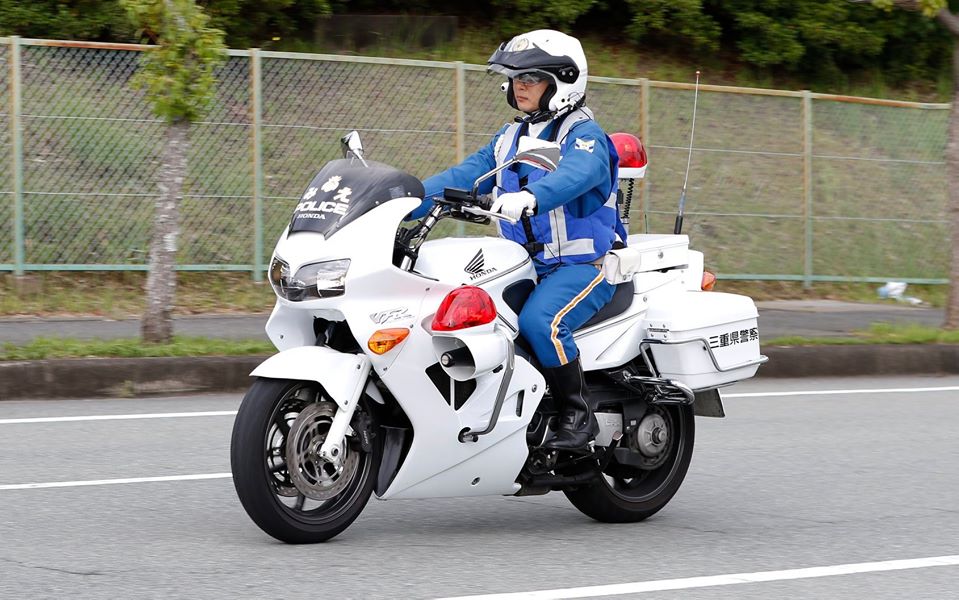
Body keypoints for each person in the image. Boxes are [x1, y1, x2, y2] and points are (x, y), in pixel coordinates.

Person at [412, 29, 625, 451]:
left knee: (539, 323)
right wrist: (403, 199)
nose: (518, 86)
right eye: (514, 78)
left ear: (562, 81)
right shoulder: (509, 137)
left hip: (583, 267)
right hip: (524, 265)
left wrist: (531, 197)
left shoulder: (584, 136)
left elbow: (575, 175)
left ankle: (576, 414)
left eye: (531, 77)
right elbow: (464, 175)